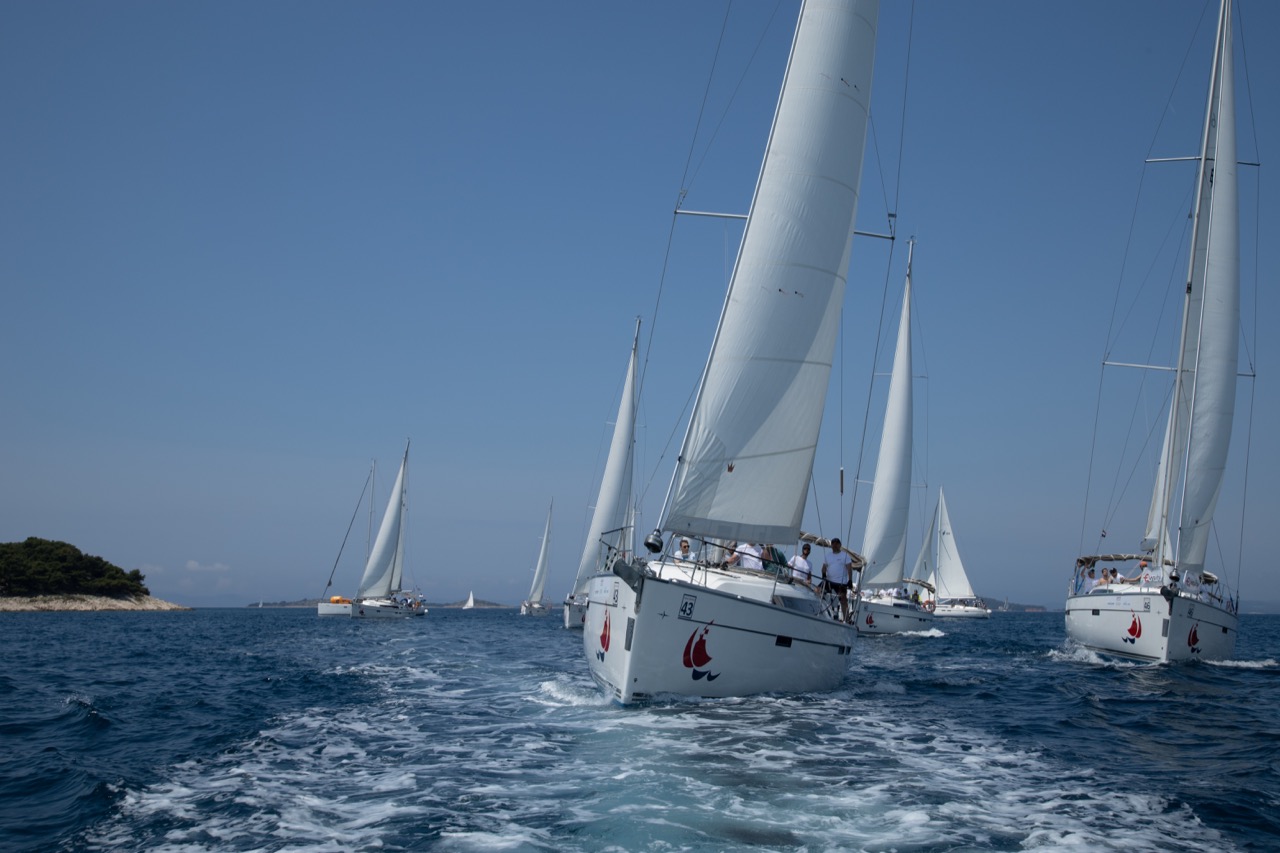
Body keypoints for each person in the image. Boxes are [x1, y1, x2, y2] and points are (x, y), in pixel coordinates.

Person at [821, 537, 858, 623]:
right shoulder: (828, 556)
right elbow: (824, 567)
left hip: (840, 583)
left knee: (843, 600)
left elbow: (849, 568)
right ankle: (824, 614)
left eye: (837, 543)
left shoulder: (844, 555)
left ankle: (846, 619)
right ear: (831, 545)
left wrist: (850, 580)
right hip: (829, 581)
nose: (835, 545)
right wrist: (823, 575)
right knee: (817, 591)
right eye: (833, 543)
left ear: (840, 545)